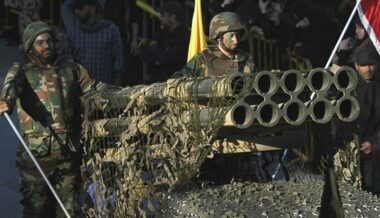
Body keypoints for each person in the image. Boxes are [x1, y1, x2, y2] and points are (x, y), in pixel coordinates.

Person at [0, 21, 105, 217]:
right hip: (37, 156)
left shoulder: (72, 69)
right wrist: (6, 101)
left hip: (68, 152)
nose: (46, 45)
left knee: (68, 209)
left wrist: (128, 96)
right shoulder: (22, 70)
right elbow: (11, 86)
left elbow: (96, 91)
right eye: (40, 42)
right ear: (30, 47)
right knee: (36, 209)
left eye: (49, 41)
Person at [173, 11, 255, 78]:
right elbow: (176, 82)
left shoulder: (246, 60)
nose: (236, 40)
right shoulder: (204, 58)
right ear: (219, 37)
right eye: (231, 36)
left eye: (238, 35)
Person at [61, 0, 125, 85]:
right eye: (75, 9)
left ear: (93, 7)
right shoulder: (73, 33)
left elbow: (119, 63)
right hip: (81, 91)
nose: (76, 12)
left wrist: (116, 89)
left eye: (80, 8)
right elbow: (67, 64)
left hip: (105, 90)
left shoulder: (111, 30)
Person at [138, 1, 190, 84]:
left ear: (172, 17)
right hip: (155, 82)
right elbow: (144, 52)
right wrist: (158, 58)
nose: (159, 18)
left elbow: (169, 59)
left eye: (162, 15)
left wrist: (157, 55)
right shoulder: (162, 33)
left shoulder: (184, 37)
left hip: (174, 83)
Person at [353, 40, 380, 196]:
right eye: (364, 65)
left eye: (371, 64)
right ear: (356, 66)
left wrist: (374, 142)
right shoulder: (348, 89)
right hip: (353, 152)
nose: (368, 69)